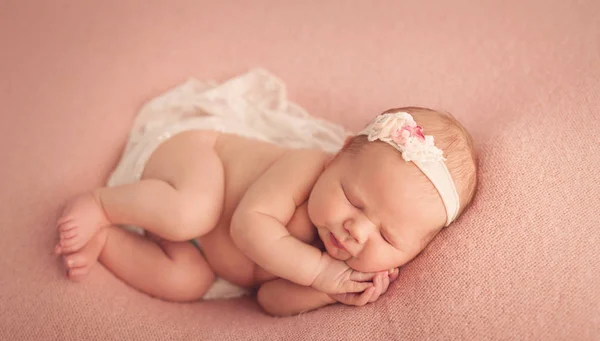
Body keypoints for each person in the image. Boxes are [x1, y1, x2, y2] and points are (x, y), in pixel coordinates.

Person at [54, 74, 477, 317]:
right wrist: (321, 274)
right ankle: (101, 204)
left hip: (202, 254)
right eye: (353, 198)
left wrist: (330, 293)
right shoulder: (307, 168)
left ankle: (107, 240)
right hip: (196, 162)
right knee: (191, 212)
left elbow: (270, 299)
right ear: (338, 157)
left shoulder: (338, 266)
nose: (357, 229)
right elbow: (248, 226)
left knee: (187, 282)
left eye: (387, 238)